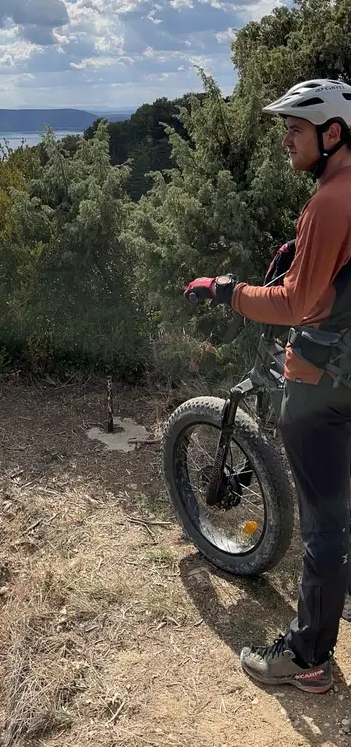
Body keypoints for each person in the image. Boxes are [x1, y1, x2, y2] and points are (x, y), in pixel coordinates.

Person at [184, 78, 351, 694]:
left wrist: (229, 292)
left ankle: (306, 657)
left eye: (296, 129)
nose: (285, 140)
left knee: (324, 524)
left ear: (332, 134)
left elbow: (296, 303)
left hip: (322, 383)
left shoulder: (331, 200)